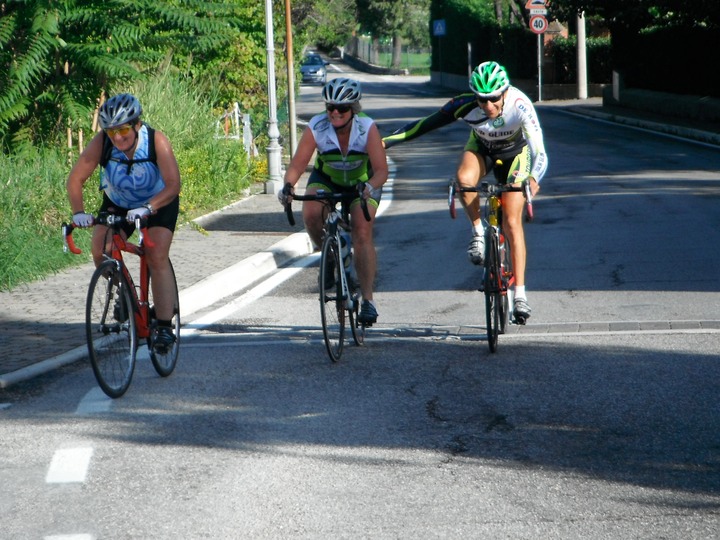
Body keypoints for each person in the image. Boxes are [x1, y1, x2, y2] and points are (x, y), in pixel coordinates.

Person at [383, 61, 547, 322]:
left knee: (512, 221)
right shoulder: (464, 105)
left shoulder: (519, 103)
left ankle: (520, 295)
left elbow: (540, 152)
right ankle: (478, 232)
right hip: (482, 149)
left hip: (516, 154)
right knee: (463, 178)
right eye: (482, 100)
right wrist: (384, 143)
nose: (489, 106)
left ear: (504, 92)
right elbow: (424, 125)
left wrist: (534, 179)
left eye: (494, 99)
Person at [66, 93, 182, 351]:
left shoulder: (156, 141)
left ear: (137, 124)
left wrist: (149, 207)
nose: (117, 138)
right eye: (111, 132)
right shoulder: (102, 144)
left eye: (124, 130)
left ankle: (163, 326)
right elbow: (75, 179)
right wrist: (78, 212)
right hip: (118, 203)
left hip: (158, 202)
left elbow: (174, 185)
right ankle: (127, 295)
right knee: (101, 251)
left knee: (155, 254)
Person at [279, 77, 388, 324]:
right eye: (331, 108)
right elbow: (298, 163)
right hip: (327, 178)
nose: (335, 113)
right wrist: (288, 185)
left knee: (362, 231)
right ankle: (330, 255)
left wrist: (370, 187)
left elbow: (381, 170)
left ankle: (368, 301)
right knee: (310, 213)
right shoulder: (317, 126)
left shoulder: (367, 128)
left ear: (354, 109)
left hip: (363, 182)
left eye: (342, 108)